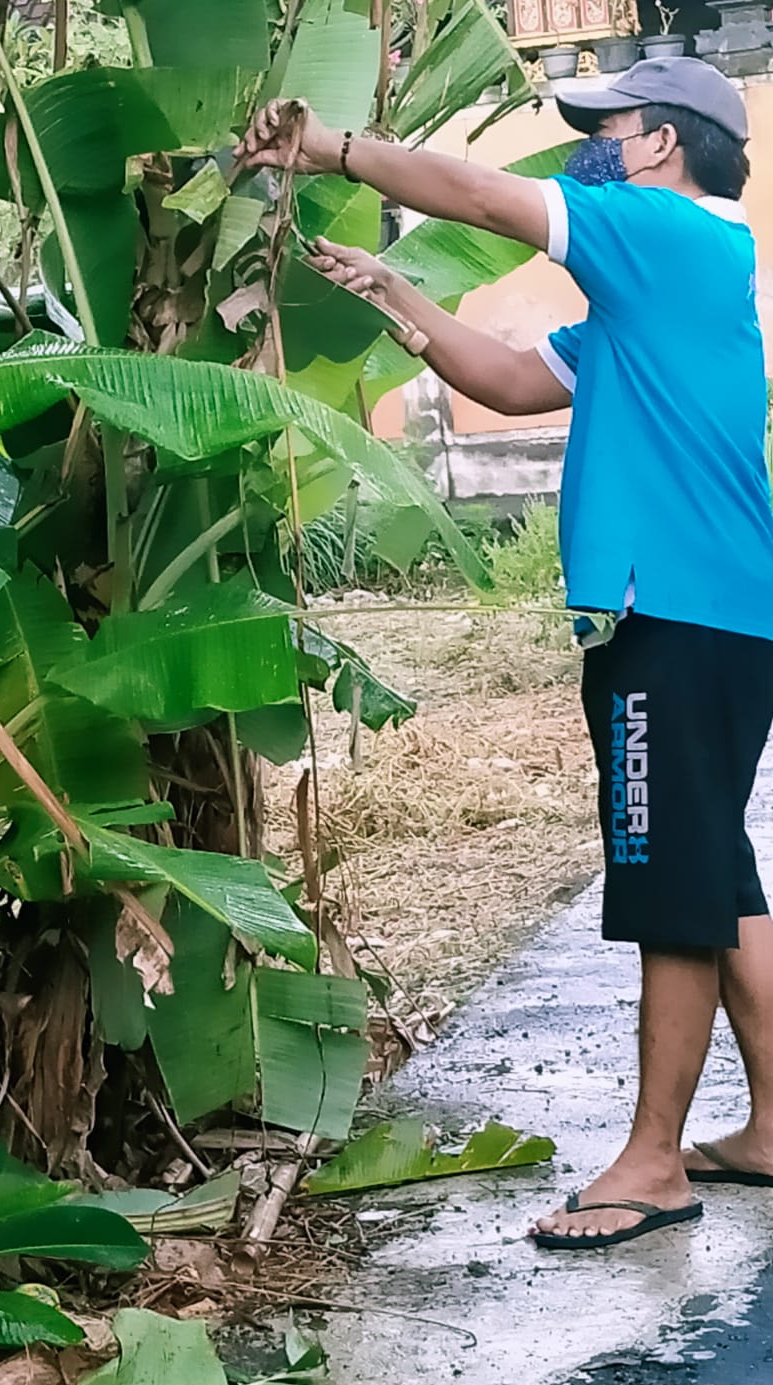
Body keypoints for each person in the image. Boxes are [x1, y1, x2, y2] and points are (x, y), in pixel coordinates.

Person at [236, 60, 773, 1250]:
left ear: (657, 148)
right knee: (715, 868)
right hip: (720, 616)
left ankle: (652, 1162)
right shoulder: (668, 286)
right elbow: (519, 381)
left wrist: (329, 149)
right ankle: (772, 1125)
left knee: (671, 884)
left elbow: (482, 198)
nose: (588, 145)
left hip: (672, 615)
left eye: (607, 127)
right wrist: (399, 299)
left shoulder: (661, 230)